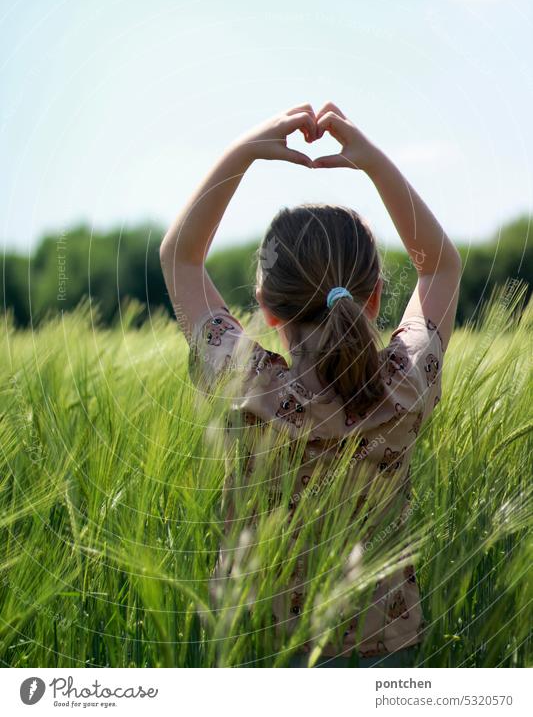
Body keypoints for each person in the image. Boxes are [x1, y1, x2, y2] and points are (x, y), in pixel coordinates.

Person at [160, 101, 461, 667]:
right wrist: (374, 162)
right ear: (373, 297)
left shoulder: (244, 385)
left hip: (259, 649)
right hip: (385, 654)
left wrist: (244, 151)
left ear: (267, 310)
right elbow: (439, 266)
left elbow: (180, 258)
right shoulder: (406, 385)